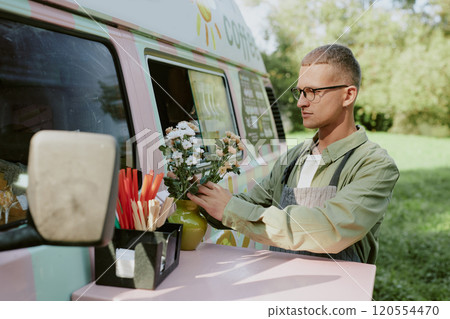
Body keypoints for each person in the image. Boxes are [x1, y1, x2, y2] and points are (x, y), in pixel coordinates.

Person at [187, 44, 399, 264]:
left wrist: (232, 209)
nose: (301, 102)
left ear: (348, 96)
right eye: (300, 92)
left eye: (313, 92)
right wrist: (196, 193)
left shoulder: (374, 165)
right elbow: (252, 204)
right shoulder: (294, 157)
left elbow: (330, 229)